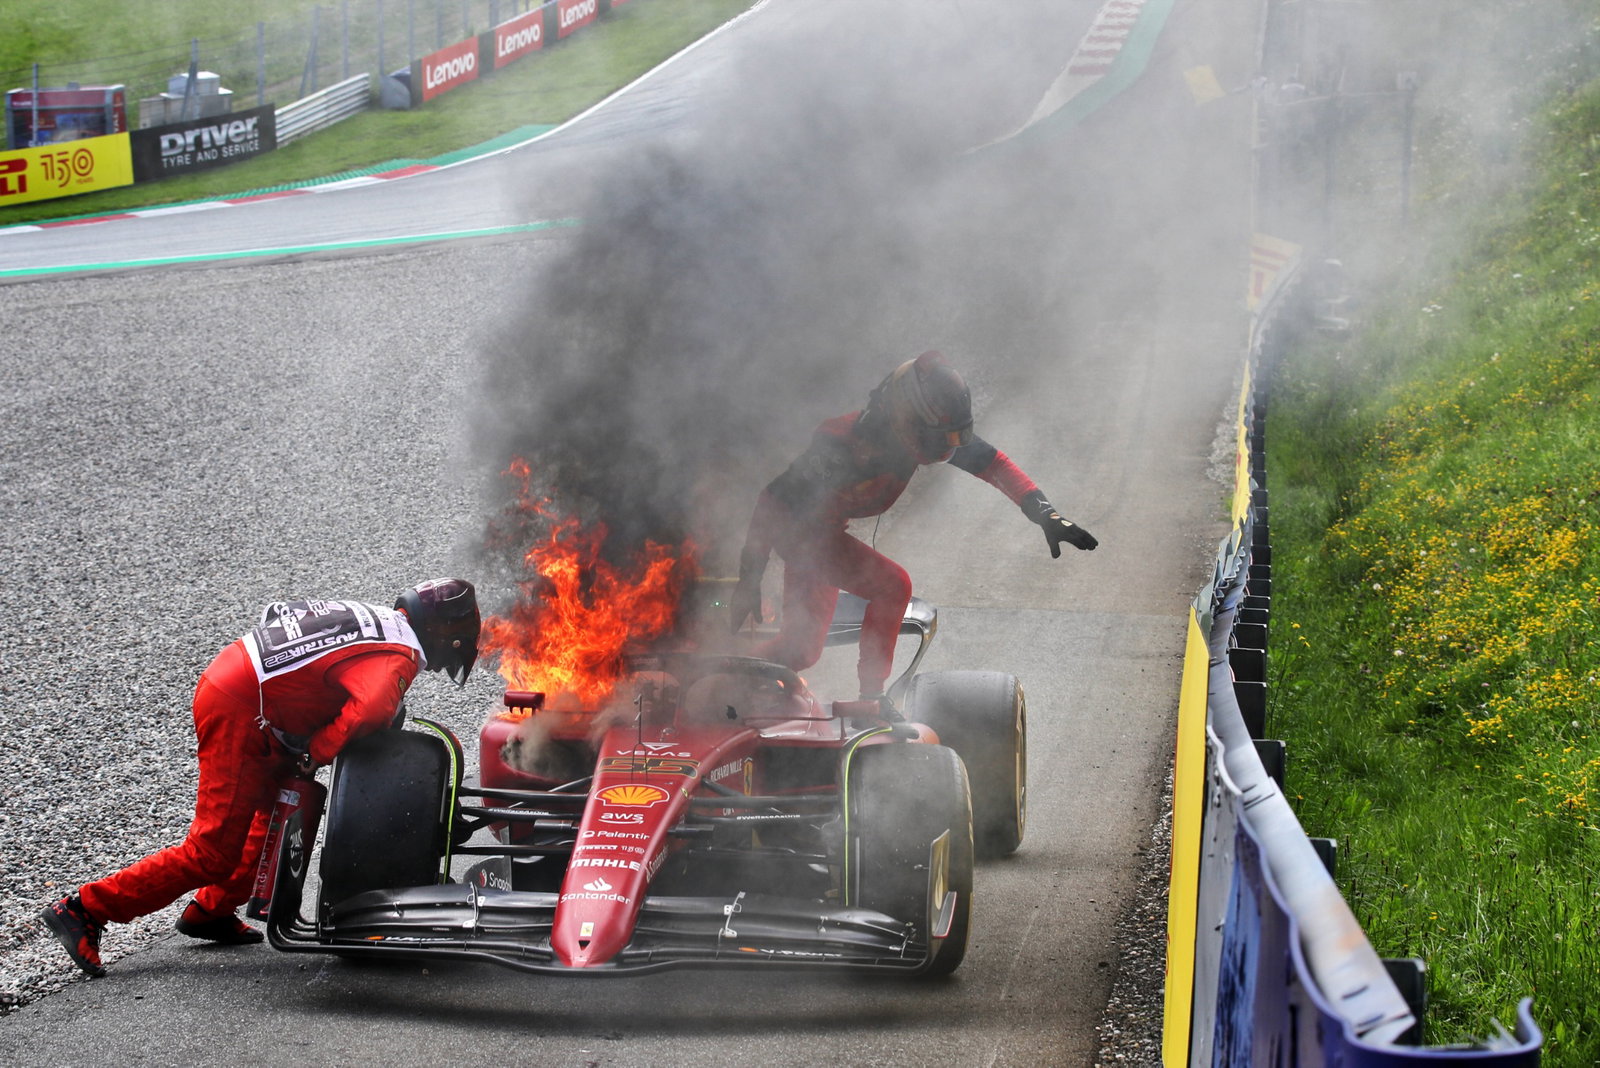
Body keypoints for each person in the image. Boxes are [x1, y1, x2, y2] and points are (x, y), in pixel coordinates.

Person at [40, 578, 481, 978]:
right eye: (454, 643)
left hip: (244, 688)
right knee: (211, 852)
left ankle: (212, 911)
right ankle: (85, 909)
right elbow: (370, 711)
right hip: (240, 707)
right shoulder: (399, 655)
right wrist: (316, 751)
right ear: (440, 630)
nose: (446, 658)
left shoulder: (380, 621)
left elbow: (279, 614)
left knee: (277, 809)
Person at [729, 351, 1097, 709]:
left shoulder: (927, 435)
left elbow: (994, 465)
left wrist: (1045, 513)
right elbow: (772, 501)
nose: (946, 450)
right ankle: (871, 700)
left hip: (823, 534)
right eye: (940, 440)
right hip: (799, 533)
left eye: (954, 438)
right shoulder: (841, 445)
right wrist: (750, 575)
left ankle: (725, 681)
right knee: (892, 586)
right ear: (905, 421)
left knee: (801, 650)